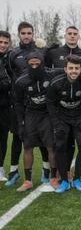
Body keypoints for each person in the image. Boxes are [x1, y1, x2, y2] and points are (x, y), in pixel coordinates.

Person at [6, 22, 50, 187]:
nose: (26, 36)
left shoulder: (40, 51)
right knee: (19, 137)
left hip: (39, 103)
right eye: (23, 33)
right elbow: (11, 75)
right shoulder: (13, 55)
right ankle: (13, 172)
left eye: (29, 33)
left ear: (33, 34)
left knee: (45, 140)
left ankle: (46, 173)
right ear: (19, 34)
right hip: (20, 102)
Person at [14, 52, 62, 191]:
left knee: (51, 147)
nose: (34, 66)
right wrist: (20, 123)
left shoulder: (51, 73)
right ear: (27, 64)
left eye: (37, 63)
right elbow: (18, 103)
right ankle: (27, 180)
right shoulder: (21, 81)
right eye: (31, 64)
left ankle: (53, 177)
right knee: (27, 147)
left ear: (42, 63)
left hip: (48, 114)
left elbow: (69, 69)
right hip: (31, 115)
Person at [46, 55, 81, 193]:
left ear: (80, 69)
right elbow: (50, 103)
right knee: (60, 146)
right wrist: (56, 122)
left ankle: (77, 179)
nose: (74, 71)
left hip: (79, 118)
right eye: (71, 68)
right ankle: (64, 180)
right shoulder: (56, 83)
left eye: (76, 68)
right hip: (62, 118)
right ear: (65, 69)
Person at [0, 31, 11, 181]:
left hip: (4, 106)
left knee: (2, 138)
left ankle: (0, 169)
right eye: (0, 42)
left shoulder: (8, 59)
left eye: (5, 43)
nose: (2, 45)